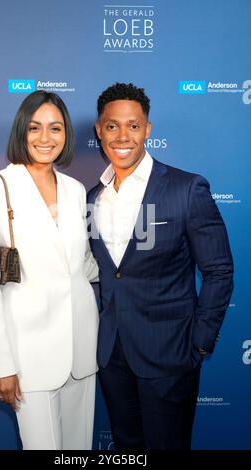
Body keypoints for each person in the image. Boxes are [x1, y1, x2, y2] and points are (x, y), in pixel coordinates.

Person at [87, 82, 234, 450]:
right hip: (112, 354)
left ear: (147, 129)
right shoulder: (92, 198)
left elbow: (219, 270)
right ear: (99, 131)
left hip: (170, 354)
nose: (123, 136)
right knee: (126, 448)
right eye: (112, 126)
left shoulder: (186, 188)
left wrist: (199, 342)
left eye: (133, 126)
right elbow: (103, 273)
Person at [0, 90, 99, 450]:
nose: (45, 138)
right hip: (28, 355)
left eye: (55, 128)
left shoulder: (74, 190)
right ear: (21, 131)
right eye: (35, 128)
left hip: (82, 349)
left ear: (66, 135)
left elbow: (83, 264)